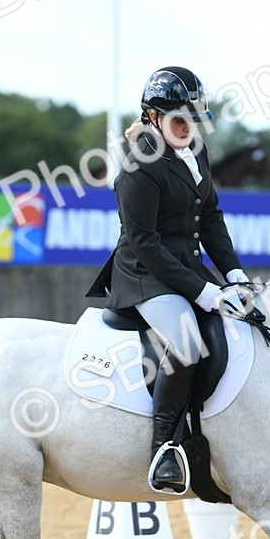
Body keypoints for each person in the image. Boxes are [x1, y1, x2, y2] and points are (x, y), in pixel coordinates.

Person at [86, 66, 255, 495]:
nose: (188, 128)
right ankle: (164, 448)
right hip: (145, 276)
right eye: (179, 120)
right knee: (185, 339)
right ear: (152, 117)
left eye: (194, 120)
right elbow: (145, 245)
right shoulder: (137, 169)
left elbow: (211, 215)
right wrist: (204, 291)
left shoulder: (194, 150)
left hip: (187, 266)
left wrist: (233, 273)